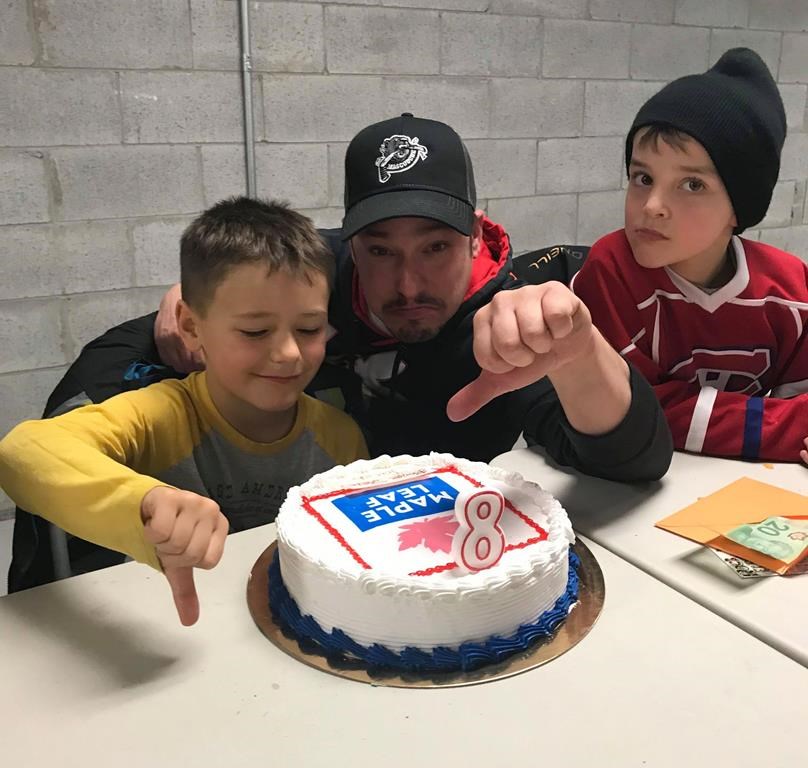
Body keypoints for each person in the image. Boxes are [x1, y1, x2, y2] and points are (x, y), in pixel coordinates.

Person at [7, 114, 674, 593]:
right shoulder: (309, 273)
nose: (407, 283)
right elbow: (104, 384)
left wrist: (581, 350)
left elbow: (633, 463)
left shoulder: (511, 324)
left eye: (435, 247)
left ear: (474, 236)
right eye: (380, 250)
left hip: (417, 570)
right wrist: (167, 337)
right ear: (348, 243)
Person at [0, 198, 368, 622]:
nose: (287, 353)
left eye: (308, 329)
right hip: (170, 633)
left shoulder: (341, 437)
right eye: (255, 331)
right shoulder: (161, 414)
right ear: (192, 328)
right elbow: (23, 451)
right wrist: (144, 502)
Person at [570, 48, 808, 464]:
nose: (652, 205)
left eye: (692, 185)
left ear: (740, 208)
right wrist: (782, 431)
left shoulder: (791, 289)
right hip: (627, 491)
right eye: (643, 178)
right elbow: (641, 413)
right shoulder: (609, 272)